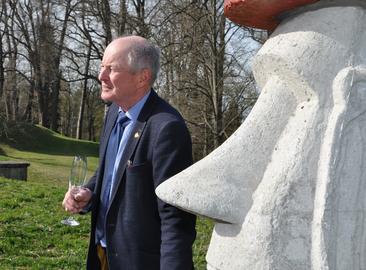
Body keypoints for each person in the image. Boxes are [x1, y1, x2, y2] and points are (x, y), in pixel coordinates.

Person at [62, 35, 196, 270]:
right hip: (102, 254)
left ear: (142, 77)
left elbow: (176, 220)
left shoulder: (166, 128)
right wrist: (90, 193)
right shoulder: (114, 111)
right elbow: (112, 171)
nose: (101, 75)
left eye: (111, 69)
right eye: (102, 67)